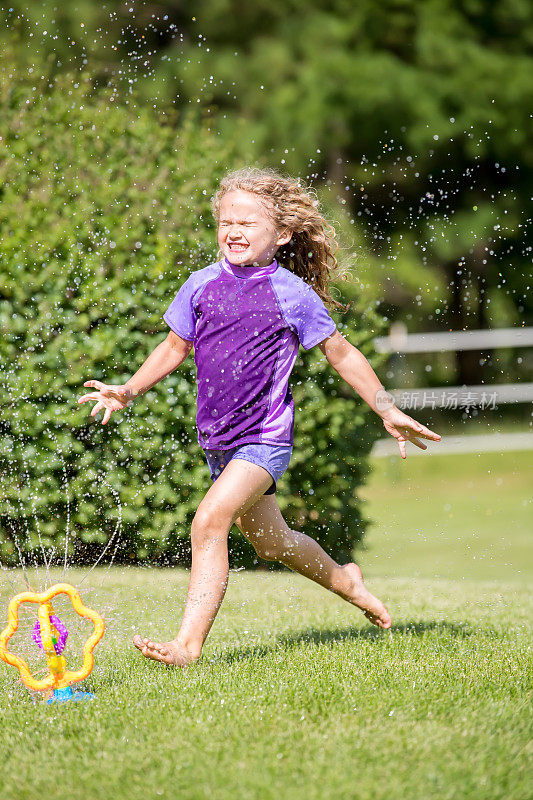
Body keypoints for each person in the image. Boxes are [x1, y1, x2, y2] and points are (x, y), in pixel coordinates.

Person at [78, 167, 441, 667]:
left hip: (263, 440)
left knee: (209, 521)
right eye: (227, 221)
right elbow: (173, 347)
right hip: (219, 442)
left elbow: (341, 354)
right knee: (273, 544)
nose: (234, 231)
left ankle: (187, 646)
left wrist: (387, 408)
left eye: (248, 222)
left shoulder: (291, 293)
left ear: (282, 234)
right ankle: (348, 582)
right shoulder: (201, 285)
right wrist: (129, 390)